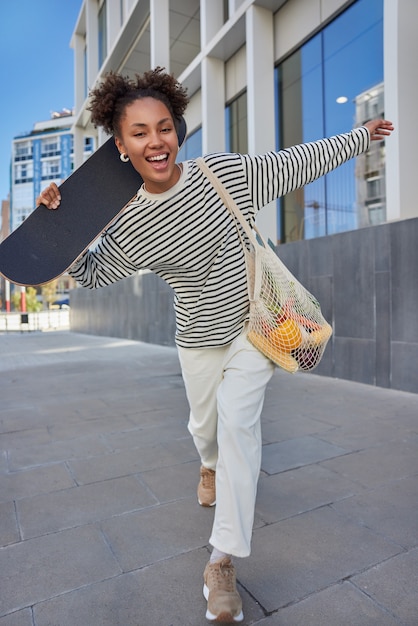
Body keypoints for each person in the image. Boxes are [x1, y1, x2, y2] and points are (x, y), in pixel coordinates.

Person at [38, 67, 394, 624]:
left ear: (177, 129)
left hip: (257, 327)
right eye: (139, 133)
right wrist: (53, 226)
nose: (155, 142)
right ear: (121, 144)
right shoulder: (126, 222)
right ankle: (208, 464)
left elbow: (297, 160)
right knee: (206, 431)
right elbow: (90, 270)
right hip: (197, 341)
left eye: (164, 128)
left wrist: (360, 135)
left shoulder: (223, 174)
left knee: (238, 426)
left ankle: (221, 560)